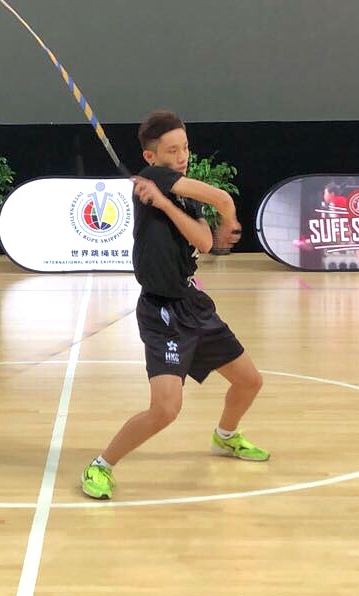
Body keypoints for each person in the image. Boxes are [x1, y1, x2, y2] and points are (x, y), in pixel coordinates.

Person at [80, 110, 267, 500]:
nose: (182, 157)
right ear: (151, 157)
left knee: (249, 381)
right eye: (172, 150)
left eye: (185, 148)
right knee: (165, 410)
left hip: (192, 302)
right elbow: (222, 198)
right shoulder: (155, 177)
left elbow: (204, 242)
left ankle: (225, 436)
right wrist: (228, 219)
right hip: (161, 311)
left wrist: (167, 206)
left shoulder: (175, 195)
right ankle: (101, 465)